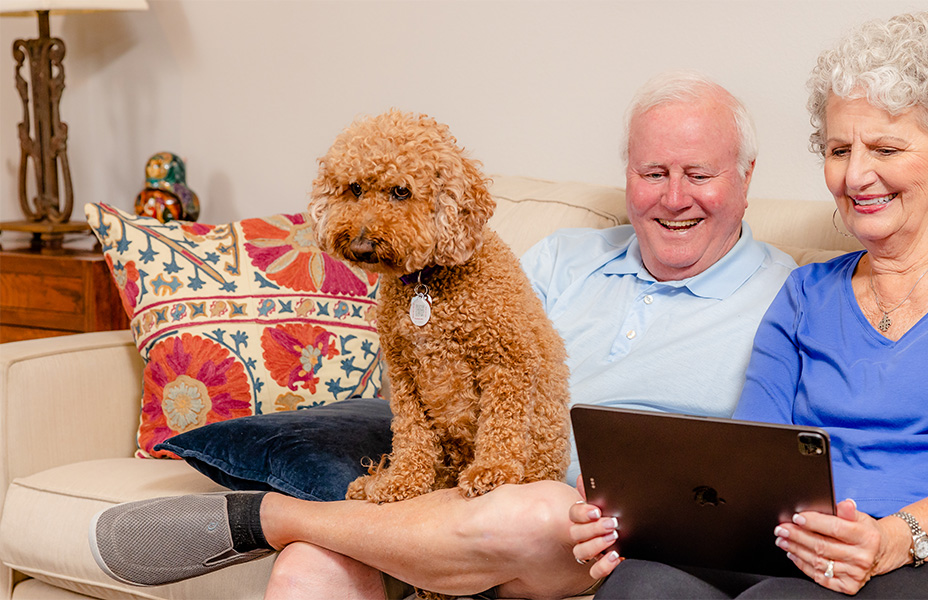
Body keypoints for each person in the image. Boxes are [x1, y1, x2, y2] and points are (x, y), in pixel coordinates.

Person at [88, 70, 796, 600]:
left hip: (599, 530)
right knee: (314, 569)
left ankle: (271, 517)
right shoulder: (563, 257)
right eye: (653, 173)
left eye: (697, 174)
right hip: (463, 495)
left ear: (745, 176)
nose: (674, 198)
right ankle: (313, 537)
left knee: (536, 507)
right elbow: (449, 371)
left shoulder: (786, 293)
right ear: (628, 177)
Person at [570, 11, 928, 599]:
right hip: (817, 543)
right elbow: (751, 457)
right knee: (641, 585)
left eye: (886, 148)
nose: (857, 175)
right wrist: (641, 524)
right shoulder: (805, 294)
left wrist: (892, 537)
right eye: (840, 149)